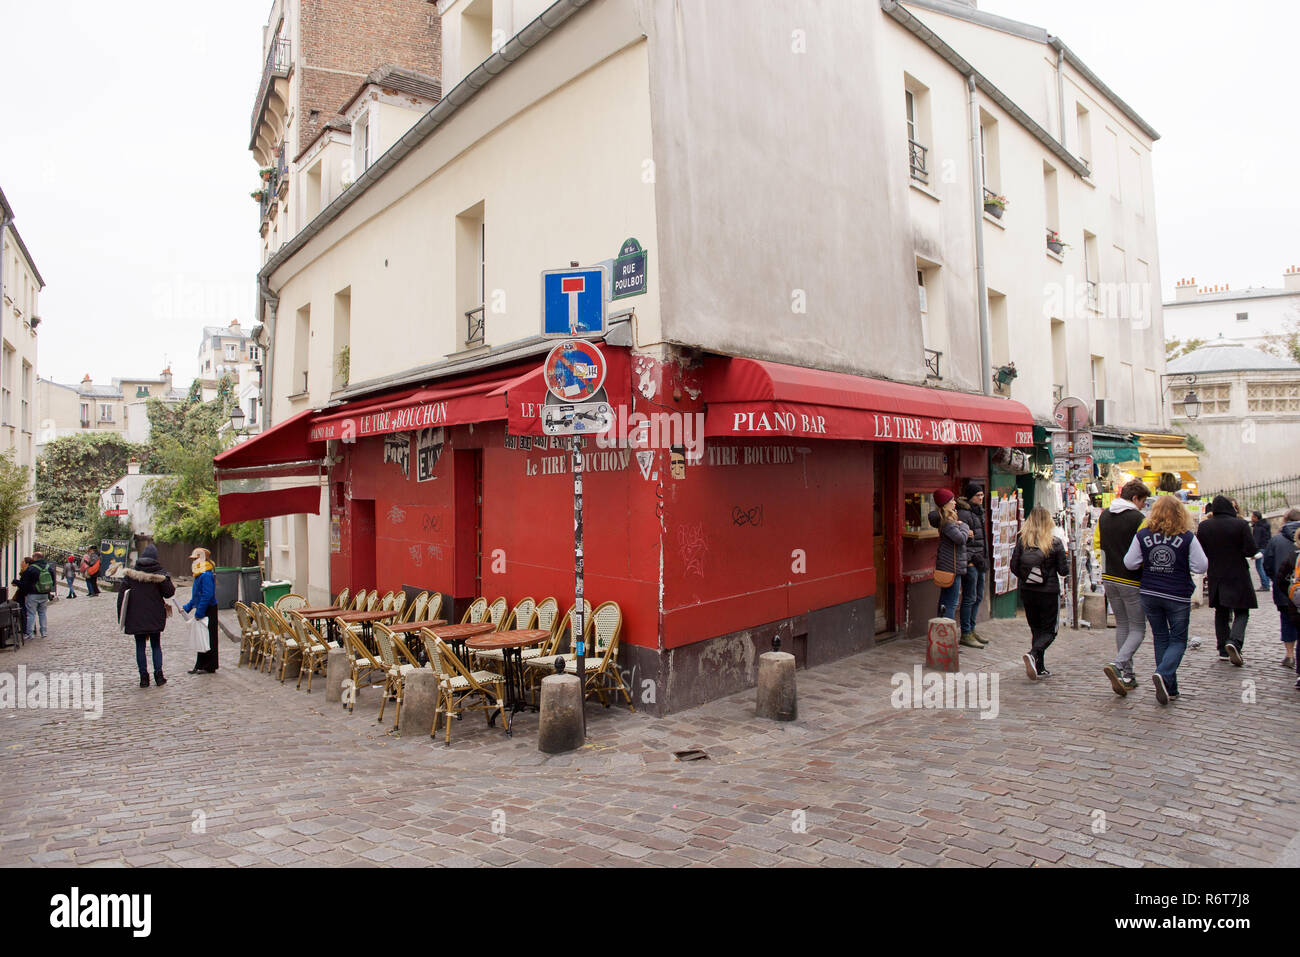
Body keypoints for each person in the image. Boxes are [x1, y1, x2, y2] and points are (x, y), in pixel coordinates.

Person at [1125, 495, 1208, 705]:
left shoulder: (1143, 535)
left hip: (1150, 592)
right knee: (1178, 640)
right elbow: (1201, 566)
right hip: (1176, 593)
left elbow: (1130, 562)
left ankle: (1170, 687)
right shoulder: (1187, 537)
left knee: (1161, 637)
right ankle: (1163, 673)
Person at [1097, 479, 1151, 695]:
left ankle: (1127, 675)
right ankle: (1118, 664)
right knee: (1138, 628)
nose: (1143, 506)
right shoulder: (1139, 519)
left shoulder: (1104, 515)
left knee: (1122, 626)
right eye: (1143, 502)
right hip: (1132, 579)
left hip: (1109, 577)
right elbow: (1145, 550)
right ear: (1135, 498)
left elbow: (1097, 545)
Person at [1196, 495, 1258, 666]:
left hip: (1216, 573)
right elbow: (1250, 549)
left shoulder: (1204, 526)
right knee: (1242, 611)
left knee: (1221, 612)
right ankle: (1235, 642)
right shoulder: (1240, 524)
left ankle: (1223, 649)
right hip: (1238, 573)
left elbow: (1201, 551)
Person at [1011, 507, 1069, 680]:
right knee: (1050, 631)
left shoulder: (1023, 541)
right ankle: (1034, 653)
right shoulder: (1055, 542)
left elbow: (1014, 567)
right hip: (1048, 593)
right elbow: (1063, 571)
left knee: (1036, 629)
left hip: (1028, 592)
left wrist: (1028, 578)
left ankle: (1039, 666)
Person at [117, 544, 176, 688]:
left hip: (136, 616)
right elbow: (169, 593)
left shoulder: (131, 574)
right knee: (156, 645)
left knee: (140, 646)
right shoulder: (160, 575)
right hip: (155, 615)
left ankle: (144, 678)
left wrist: (121, 618)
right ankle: (159, 676)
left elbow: (122, 597)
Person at [928, 489, 974, 644]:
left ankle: (940, 635)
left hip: (950, 565)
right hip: (951, 567)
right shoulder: (947, 521)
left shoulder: (948, 520)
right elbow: (960, 539)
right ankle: (945, 638)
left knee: (945, 601)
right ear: (946, 503)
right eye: (952, 500)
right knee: (951, 603)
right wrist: (965, 527)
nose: (955, 502)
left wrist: (962, 528)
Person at [1262, 508, 1300, 671]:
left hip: (1284, 589)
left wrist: (1276, 581)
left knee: (1286, 621)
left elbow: (1267, 564)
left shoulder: (1276, 540)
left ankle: (1290, 655)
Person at [956, 482, 989, 648]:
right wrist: (971, 559)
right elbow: (964, 540)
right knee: (969, 597)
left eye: (982, 495)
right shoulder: (964, 513)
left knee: (978, 596)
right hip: (971, 562)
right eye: (978, 495)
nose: (981, 498)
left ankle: (972, 628)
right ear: (970, 496)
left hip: (980, 561)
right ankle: (966, 632)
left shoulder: (978, 512)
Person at [183, 547, 219, 674]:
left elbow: (207, 595)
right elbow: (197, 595)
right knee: (202, 637)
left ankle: (209, 665)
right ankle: (201, 664)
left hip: (208, 609)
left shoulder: (205, 574)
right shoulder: (200, 574)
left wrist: (199, 612)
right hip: (204, 608)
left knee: (208, 638)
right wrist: (187, 607)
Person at [18, 551, 55, 641]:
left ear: (35, 558)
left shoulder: (31, 568)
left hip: (32, 594)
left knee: (31, 614)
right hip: (44, 594)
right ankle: (44, 632)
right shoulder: (48, 567)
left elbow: (25, 584)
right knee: (42, 613)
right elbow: (53, 581)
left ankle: (30, 633)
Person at [1251, 510, 1272, 592]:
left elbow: (1256, 540)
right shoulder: (1265, 525)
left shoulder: (1258, 527)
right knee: (1263, 566)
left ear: (1256, 517)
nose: (1251, 518)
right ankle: (1266, 583)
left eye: (1252, 516)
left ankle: (1265, 584)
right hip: (1266, 547)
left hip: (1260, 548)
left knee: (1259, 567)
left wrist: (1253, 552)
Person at [11, 557, 30, 637]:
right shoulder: (25, 572)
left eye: (22, 562)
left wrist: (16, 582)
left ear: (26, 564)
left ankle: (26, 630)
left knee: (24, 612)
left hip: (23, 596)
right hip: (23, 595)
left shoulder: (26, 572)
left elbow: (24, 585)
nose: (21, 563)